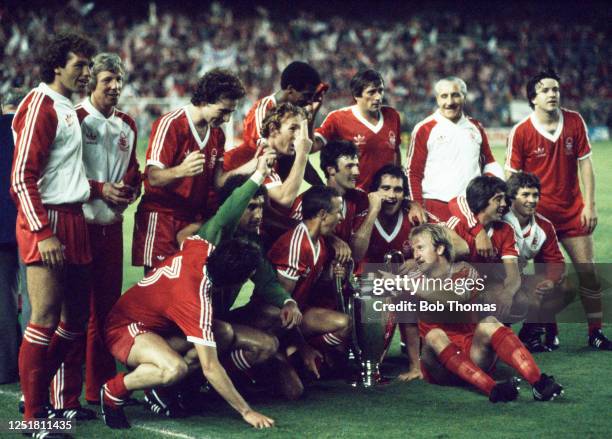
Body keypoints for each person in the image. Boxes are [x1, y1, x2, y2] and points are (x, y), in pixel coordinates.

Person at [10, 32, 96, 437]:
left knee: (75, 321)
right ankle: (32, 420)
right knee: (43, 319)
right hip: (46, 222)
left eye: (87, 65)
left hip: (75, 219)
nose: (86, 72)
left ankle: (37, 393)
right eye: (79, 64)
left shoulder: (68, 107)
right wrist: (43, 232)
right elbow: (21, 178)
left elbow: (65, 174)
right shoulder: (40, 104)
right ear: (57, 66)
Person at [49, 53, 141, 416]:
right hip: (79, 227)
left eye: (119, 80)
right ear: (92, 83)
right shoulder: (75, 119)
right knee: (73, 316)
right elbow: (61, 175)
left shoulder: (129, 125)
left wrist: (129, 189)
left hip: (111, 231)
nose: (116, 87)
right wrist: (102, 189)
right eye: (108, 81)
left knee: (106, 313)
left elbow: (132, 170)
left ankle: (98, 388)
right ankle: (62, 397)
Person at [100, 238, 275, 429]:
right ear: (235, 282)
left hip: (157, 326)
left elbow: (188, 237)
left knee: (223, 333)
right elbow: (210, 367)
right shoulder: (195, 303)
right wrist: (246, 411)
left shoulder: (204, 249)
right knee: (174, 369)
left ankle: (168, 388)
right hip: (125, 328)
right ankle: (113, 391)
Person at [505, 69, 611, 350]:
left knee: (587, 271)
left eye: (555, 89)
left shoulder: (575, 121)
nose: (552, 94)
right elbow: (511, 177)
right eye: (545, 90)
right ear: (532, 98)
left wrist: (590, 204)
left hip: (573, 211)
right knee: (547, 278)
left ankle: (596, 332)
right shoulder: (522, 131)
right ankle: (549, 333)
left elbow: (585, 163)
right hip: (539, 217)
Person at [407, 223, 564, 402]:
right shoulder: (411, 276)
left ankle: (539, 383)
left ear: (440, 248)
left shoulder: (466, 271)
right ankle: (493, 389)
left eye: (420, 248)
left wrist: (408, 285)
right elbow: (406, 322)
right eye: (414, 250)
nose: (416, 256)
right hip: (439, 365)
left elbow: (451, 299)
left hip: (473, 354)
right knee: (434, 335)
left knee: (490, 321)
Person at [350, 165, 466, 381]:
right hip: (367, 286)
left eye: (398, 190)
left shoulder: (415, 216)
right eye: (385, 188)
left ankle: (416, 364)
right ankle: (366, 358)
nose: (392, 195)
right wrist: (373, 211)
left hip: (402, 285)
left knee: (411, 288)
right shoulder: (363, 213)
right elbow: (356, 254)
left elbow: (461, 247)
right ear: (373, 192)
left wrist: (418, 260)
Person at [132, 68, 246, 271]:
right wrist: (181, 170)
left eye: (231, 112)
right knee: (158, 289)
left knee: (186, 289)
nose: (228, 119)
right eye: (223, 111)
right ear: (204, 101)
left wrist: (255, 166)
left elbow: (218, 183)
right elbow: (153, 177)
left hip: (192, 221)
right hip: (162, 219)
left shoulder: (217, 134)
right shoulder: (171, 124)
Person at [268, 186, 349, 389]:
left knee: (345, 323)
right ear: (322, 214)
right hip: (274, 321)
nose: (341, 217)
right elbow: (280, 308)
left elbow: (310, 286)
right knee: (294, 390)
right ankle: (282, 357)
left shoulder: (319, 243)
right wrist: (303, 347)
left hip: (299, 314)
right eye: (338, 211)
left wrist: (332, 276)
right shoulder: (295, 245)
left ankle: (301, 355)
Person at [406, 76, 504, 223]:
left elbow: (489, 162)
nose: (449, 102)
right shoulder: (424, 128)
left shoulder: (476, 126)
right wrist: (417, 205)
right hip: (435, 206)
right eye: (444, 96)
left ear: (464, 98)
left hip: (471, 206)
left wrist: (489, 183)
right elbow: (413, 172)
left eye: (455, 95)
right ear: (437, 99)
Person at [224, 104, 312, 244]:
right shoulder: (258, 154)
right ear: (273, 129)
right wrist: (303, 153)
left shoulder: (273, 156)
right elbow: (285, 198)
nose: (298, 138)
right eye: (293, 129)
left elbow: (269, 212)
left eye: (300, 130)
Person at [445, 176, 521, 321]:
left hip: (485, 284)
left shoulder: (506, 230)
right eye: (498, 199)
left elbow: (513, 274)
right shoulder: (456, 224)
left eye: (504, 199)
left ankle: (496, 329)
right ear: (481, 201)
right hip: (455, 286)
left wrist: (508, 294)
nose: (504, 204)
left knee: (520, 301)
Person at [314, 69, 402, 191]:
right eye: (371, 92)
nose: (378, 97)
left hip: (386, 198)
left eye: (380, 91)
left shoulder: (392, 115)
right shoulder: (338, 118)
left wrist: (398, 180)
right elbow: (312, 146)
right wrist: (311, 115)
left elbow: (396, 151)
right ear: (357, 95)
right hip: (354, 199)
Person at [241, 60, 326, 185]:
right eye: (307, 95)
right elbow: (263, 154)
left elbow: (308, 148)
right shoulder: (262, 111)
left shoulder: (294, 112)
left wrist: (311, 117)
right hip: (259, 182)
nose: (309, 101)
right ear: (290, 89)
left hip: (279, 179)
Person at [291, 140, 368, 244]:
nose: (356, 172)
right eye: (349, 166)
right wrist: (331, 240)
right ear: (331, 170)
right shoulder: (306, 200)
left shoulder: (359, 198)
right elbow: (293, 231)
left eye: (357, 166)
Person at [0, 89, 26, 385]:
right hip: (31, 224)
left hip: (1, 229)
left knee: (3, 303)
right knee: (36, 303)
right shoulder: (30, 130)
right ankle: (37, 370)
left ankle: (5, 367)